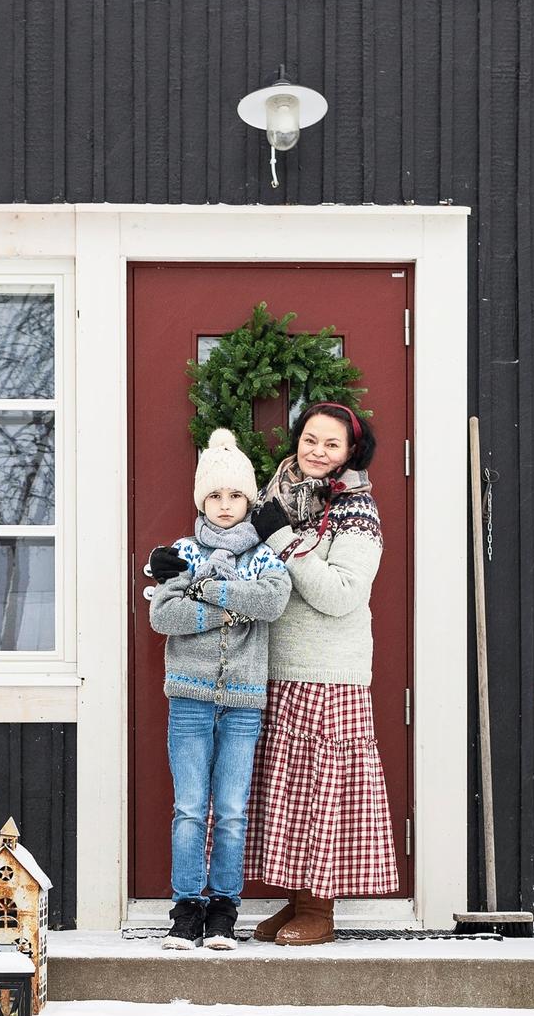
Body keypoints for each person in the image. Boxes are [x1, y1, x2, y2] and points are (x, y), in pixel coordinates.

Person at [243, 401, 399, 946]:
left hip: (329, 671)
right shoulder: (274, 495)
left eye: (331, 444)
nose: (317, 451)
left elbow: (341, 594)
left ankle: (320, 909)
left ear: (350, 452)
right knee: (287, 791)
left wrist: (282, 541)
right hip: (273, 664)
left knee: (321, 791)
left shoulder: (358, 512)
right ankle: (295, 900)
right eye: (311, 439)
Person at [143, 428, 292, 950]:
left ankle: (224, 910)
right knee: (189, 807)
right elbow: (166, 614)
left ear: (249, 500)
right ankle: (187, 911)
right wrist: (230, 608)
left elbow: (272, 602)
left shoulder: (265, 555)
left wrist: (208, 590)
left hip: (244, 703)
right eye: (214, 495)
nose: (225, 506)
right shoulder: (180, 553)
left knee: (230, 809)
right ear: (201, 499)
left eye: (235, 496)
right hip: (188, 697)